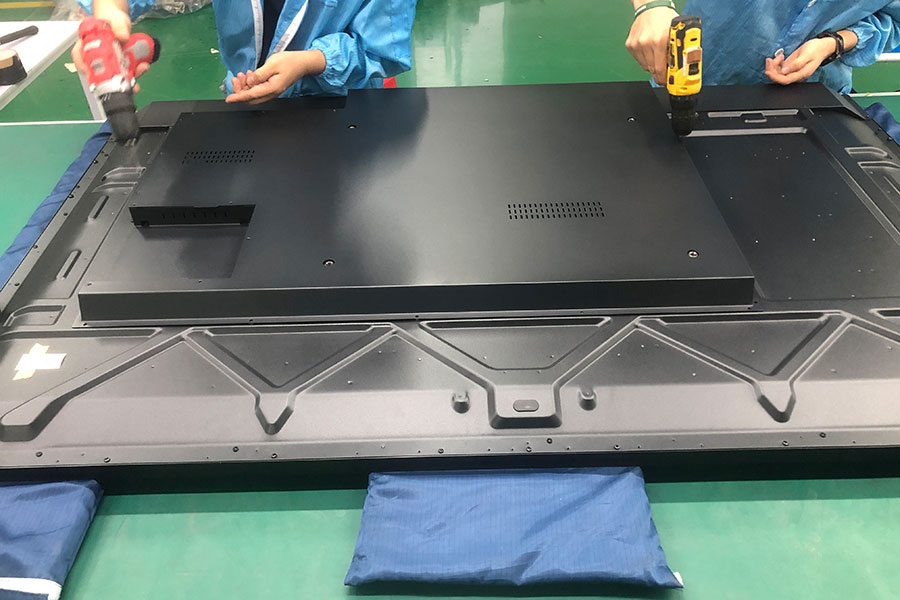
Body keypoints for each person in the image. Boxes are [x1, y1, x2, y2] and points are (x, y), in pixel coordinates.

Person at [72, 0, 417, 104]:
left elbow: (381, 51)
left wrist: (311, 62)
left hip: (341, 106)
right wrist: (110, 14)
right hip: (244, 97)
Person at [626, 0, 900, 93]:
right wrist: (651, 6)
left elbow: (893, 20)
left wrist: (835, 42)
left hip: (812, 101)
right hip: (703, 80)